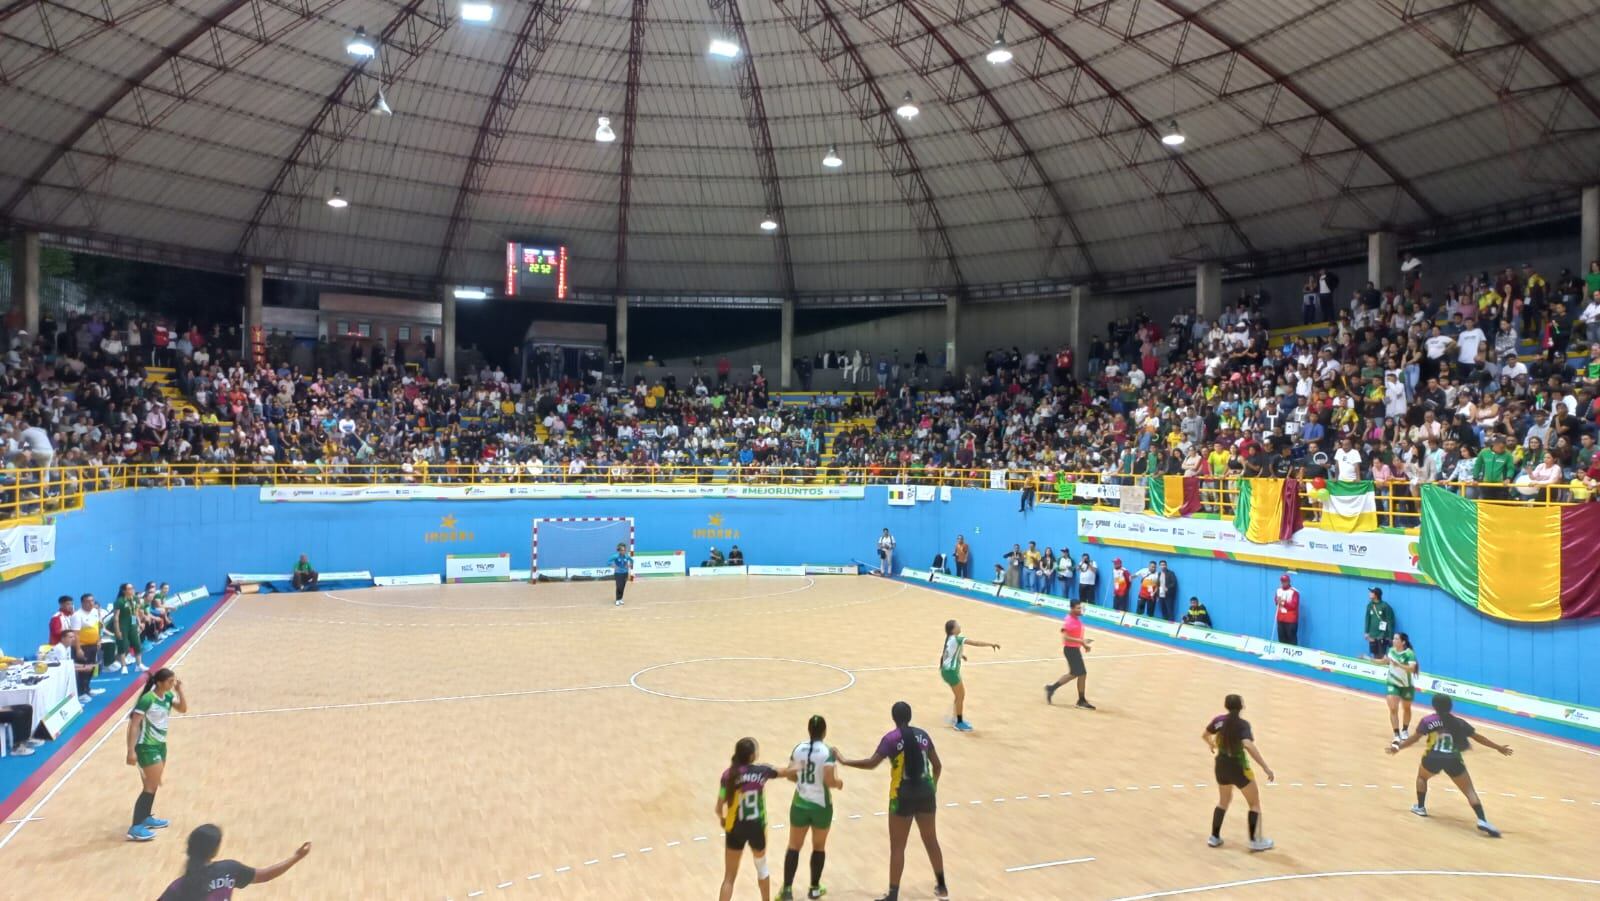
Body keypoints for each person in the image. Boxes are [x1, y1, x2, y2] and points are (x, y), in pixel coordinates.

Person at [841, 702, 947, 901]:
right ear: (910, 715)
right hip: (926, 793)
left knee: (898, 847)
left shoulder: (891, 739)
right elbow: (938, 766)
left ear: (894, 718)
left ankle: (893, 895)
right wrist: (933, 787)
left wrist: (846, 761)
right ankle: (942, 887)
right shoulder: (923, 735)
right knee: (931, 840)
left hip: (902, 796)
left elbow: (871, 764)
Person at [1387, 694, 1512, 837]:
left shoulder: (1428, 721)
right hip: (1453, 760)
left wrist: (1398, 748)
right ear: (1450, 706)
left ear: (1434, 706)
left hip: (1432, 758)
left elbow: (1414, 739)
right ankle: (1482, 820)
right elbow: (1479, 738)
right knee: (1470, 791)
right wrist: (1498, 747)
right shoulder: (1459, 722)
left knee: (1422, 777)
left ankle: (1420, 807)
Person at [716, 737, 792, 901]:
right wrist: (800, 765)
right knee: (762, 868)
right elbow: (786, 772)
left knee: (729, 877)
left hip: (735, 828)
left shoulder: (728, 776)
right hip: (756, 827)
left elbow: (719, 806)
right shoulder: (761, 771)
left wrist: (722, 819)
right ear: (752, 756)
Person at [158, 824, 311, 900]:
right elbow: (266, 875)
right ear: (214, 851)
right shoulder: (229, 869)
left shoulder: (179, 887)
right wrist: (296, 857)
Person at [781, 715, 843, 901]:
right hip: (821, 807)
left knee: (794, 846)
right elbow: (829, 780)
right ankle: (815, 889)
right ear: (824, 732)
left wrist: (802, 780)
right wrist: (839, 783)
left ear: (809, 730)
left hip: (800, 804)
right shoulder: (827, 752)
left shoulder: (798, 749)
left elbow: (790, 775)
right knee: (818, 846)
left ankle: (787, 891)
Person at [1203, 694, 1276, 851]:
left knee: (1223, 801)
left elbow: (1205, 735)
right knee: (1254, 803)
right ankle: (1255, 841)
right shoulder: (1243, 725)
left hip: (1221, 765)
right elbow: (1248, 745)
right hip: (1238, 767)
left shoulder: (1219, 721)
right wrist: (1265, 767)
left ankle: (1214, 837)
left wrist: (1211, 745)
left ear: (1226, 706)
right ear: (1241, 706)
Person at [127, 667, 188, 842]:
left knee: (152, 785)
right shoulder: (147, 699)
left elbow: (183, 709)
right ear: (160, 683)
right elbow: (134, 725)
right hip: (146, 747)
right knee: (150, 785)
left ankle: (145, 818)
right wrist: (131, 751)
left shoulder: (167, 696)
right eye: (170, 681)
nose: (173, 683)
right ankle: (135, 827)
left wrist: (179, 691)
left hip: (160, 745)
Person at [939, 619, 1000, 733]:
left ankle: (955, 718)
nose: (960, 625)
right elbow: (975, 643)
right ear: (953, 629)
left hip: (946, 671)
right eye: (957, 625)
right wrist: (991, 644)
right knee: (961, 696)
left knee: (958, 696)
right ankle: (959, 723)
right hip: (951, 672)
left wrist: (961, 656)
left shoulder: (950, 639)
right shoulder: (958, 638)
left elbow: (948, 653)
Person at [1044, 600, 1095, 709]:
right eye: (1077, 608)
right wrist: (1081, 642)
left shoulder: (1076, 618)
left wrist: (1084, 644)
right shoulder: (1069, 621)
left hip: (1074, 650)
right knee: (1081, 673)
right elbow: (1065, 638)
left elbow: (1075, 636)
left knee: (1074, 674)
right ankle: (1081, 700)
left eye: (1080, 608)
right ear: (1072, 609)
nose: (1080, 610)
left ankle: (1051, 688)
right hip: (1071, 651)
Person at [1385, 633, 1419, 744]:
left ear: (1403, 642)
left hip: (1406, 686)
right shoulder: (1391, 651)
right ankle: (1396, 734)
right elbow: (1386, 661)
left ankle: (1404, 730)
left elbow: (1411, 669)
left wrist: (1398, 664)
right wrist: (1369, 659)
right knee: (1393, 708)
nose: (1393, 640)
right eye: (1393, 638)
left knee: (1407, 708)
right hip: (1393, 683)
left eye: (1396, 638)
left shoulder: (1409, 654)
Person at [112, 582, 147, 673]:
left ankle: (139, 664)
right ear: (124, 591)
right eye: (130, 589)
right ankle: (124, 666)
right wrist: (117, 631)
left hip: (132, 623)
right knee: (122, 645)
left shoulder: (135, 598)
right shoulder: (119, 601)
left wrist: (138, 623)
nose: (132, 590)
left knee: (137, 643)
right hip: (122, 625)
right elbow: (116, 618)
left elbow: (134, 613)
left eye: (133, 588)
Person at [1273, 573, 1300, 645]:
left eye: (1285, 581)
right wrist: (1277, 601)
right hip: (1280, 619)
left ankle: (1292, 655)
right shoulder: (1278, 590)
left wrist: (1283, 602)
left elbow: (1294, 605)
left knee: (1291, 640)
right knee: (1281, 640)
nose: (1283, 583)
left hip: (1290, 620)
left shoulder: (1294, 592)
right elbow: (1276, 600)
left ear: (1289, 581)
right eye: (1282, 581)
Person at [608, 542, 633, 607]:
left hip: (625, 573)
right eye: (622, 550)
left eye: (624, 550)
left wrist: (629, 564)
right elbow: (608, 562)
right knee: (619, 586)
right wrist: (612, 565)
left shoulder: (627, 556)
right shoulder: (615, 556)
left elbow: (632, 560)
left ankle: (620, 598)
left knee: (623, 587)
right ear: (619, 550)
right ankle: (617, 600)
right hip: (618, 573)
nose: (623, 551)